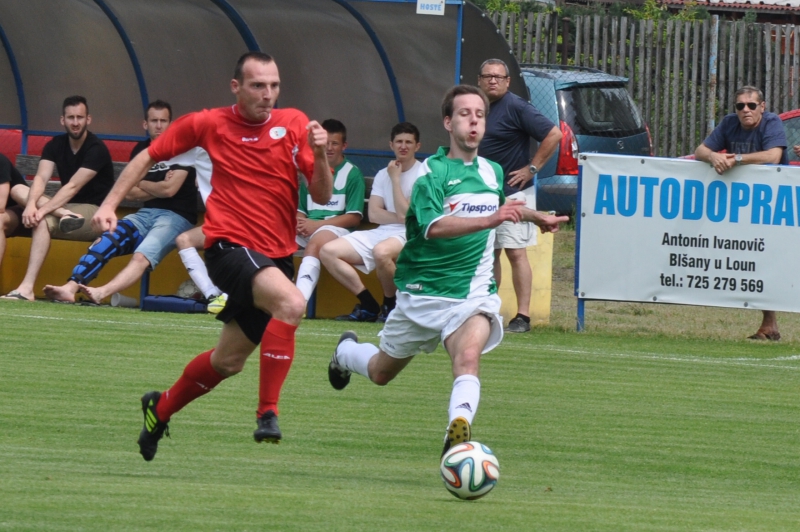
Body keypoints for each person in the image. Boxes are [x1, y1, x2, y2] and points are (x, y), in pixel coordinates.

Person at [91, 52, 332, 461]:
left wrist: (321, 154)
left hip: (275, 255)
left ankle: (159, 409)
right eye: (258, 85)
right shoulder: (208, 123)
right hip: (228, 247)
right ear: (236, 87)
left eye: (274, 85)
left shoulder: (293, 123)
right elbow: (148, 156)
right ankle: (267, 413)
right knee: (292, 303)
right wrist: (110, 204)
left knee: (228, 362)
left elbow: (322, 195)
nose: (268, 94)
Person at [328, 85, 568, 457]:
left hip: (472, 295)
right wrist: (489, 220)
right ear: (448, 122)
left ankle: (457, 436)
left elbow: (501, 206)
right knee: (380, 372)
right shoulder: (432, 174)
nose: (474, 121)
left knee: (467, 358)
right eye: (464, 114)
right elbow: (432, 227)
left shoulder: (492, 171)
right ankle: (345, 353)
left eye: (480, 115)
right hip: (422, 295)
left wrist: (537, 217)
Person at [42, 100, 197, 304]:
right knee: (108, 240)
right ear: (145, 124)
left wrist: (141, 182)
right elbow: (129, 193)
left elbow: (170, 190)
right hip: (145, 215)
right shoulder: (141, 150)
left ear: (171, 124)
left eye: (163, 121)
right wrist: (154, 186)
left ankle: (101, 292)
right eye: (154, 121)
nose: (159, 126)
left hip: (176, 218)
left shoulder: (182, 148)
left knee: (142, 255)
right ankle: (70, 287)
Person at [694, 85, 787, 341]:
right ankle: (769, 325)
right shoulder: (729, 123)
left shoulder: (771, 123)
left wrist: (736, 159)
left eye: (751, 105)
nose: (745, 110)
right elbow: (700, 151)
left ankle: (770, 324)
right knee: (751, 260)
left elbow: (773, 156)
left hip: (775, 206)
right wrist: (714, 157)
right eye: (740, 106)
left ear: (762, 107)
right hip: (741, 206)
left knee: (774, 261)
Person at [1, 95, 114, 301]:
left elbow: (72, 186)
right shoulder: (55, 144)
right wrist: (30, 205)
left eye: (80, 117)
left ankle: (26, 288)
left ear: (88, 119)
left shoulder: (96, 148)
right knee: (8, 209)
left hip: (94, 211)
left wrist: (41, 210)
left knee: (43, 221)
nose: (75, 122)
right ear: (63, 120)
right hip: (64, 207)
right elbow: (41, 178)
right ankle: (63, 214)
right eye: (71, 117)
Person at [477, 59, 562, 333]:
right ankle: (489, 311)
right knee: (489, 254)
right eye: (487, 76)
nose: (493, 80)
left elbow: (554, 134)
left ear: (508, 81)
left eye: (498, 77)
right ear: (479, 80)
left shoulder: (516, 107)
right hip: (482, 195)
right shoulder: (475, 107)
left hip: (514, 193)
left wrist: (531, 169)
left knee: (515, 253)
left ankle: (522, 316)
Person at [319, 122, 422, 322]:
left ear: (417, 146)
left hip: (411, 232)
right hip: (383, 230)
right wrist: (401, 215)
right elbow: (374, 214)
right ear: (391, 145)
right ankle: (368, 305)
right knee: (328, 251)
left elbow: (405, 217)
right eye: (399, 142)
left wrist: (395, 179)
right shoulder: (384, 173)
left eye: (408, 142)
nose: (403, 146)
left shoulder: (423, 173)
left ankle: (390, 305)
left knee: (381, 252)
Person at [294, 119, 365, 303]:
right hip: (308, 228)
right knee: (273, 239)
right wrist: (299, 223)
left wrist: (316, 225)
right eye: (326, 143)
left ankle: (299, 301)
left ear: (344, 146)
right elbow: (301, 210)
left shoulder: (352, 173)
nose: (329, 148)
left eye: (335, 143)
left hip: (335, 230)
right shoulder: (310, 169)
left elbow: (354, 218)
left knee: (315, 244)